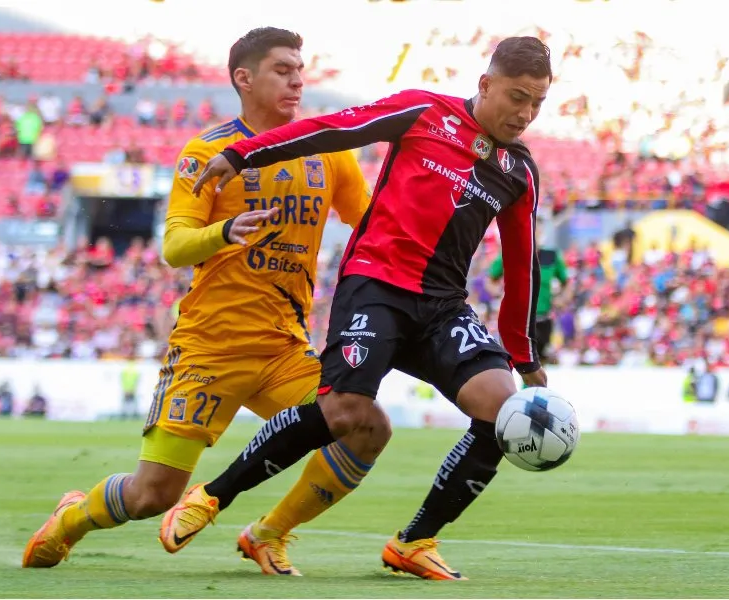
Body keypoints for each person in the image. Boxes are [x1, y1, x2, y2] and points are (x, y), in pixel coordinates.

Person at [170, 36, 552, 580]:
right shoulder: (423, 111)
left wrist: (524, 355)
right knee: (345, 411)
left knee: (501, 406)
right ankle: (211, 497)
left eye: (537, 103)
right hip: (375, 284)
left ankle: (414, 542)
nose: (525, 114)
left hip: (442, 306)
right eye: (517, 97)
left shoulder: (519, 171)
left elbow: (523, 269)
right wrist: (241, 153)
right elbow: (331, 129)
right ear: (485, 84)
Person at [22, 27, 387, 575]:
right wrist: (225, 231)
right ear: (244, 78)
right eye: (282, 69)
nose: (297, 79)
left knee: (365, 424)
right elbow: (174, 245)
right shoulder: (208, 152)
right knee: (154, 496)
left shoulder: (328, 152)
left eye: (300, 68)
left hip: (282, 350)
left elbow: (372, 222)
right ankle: (73, 517)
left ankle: (269, 533)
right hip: (208, 350)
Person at [488, 214, 567, 361]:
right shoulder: (511, 252)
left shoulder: (551, 256)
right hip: (516, 318)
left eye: (539, 230)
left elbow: (566, 282)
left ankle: (534, 385)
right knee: (515, 359)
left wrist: (561, 298)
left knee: (539, 360)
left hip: (542, 318)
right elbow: (491, 279)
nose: (536, 233)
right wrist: (498, 294)